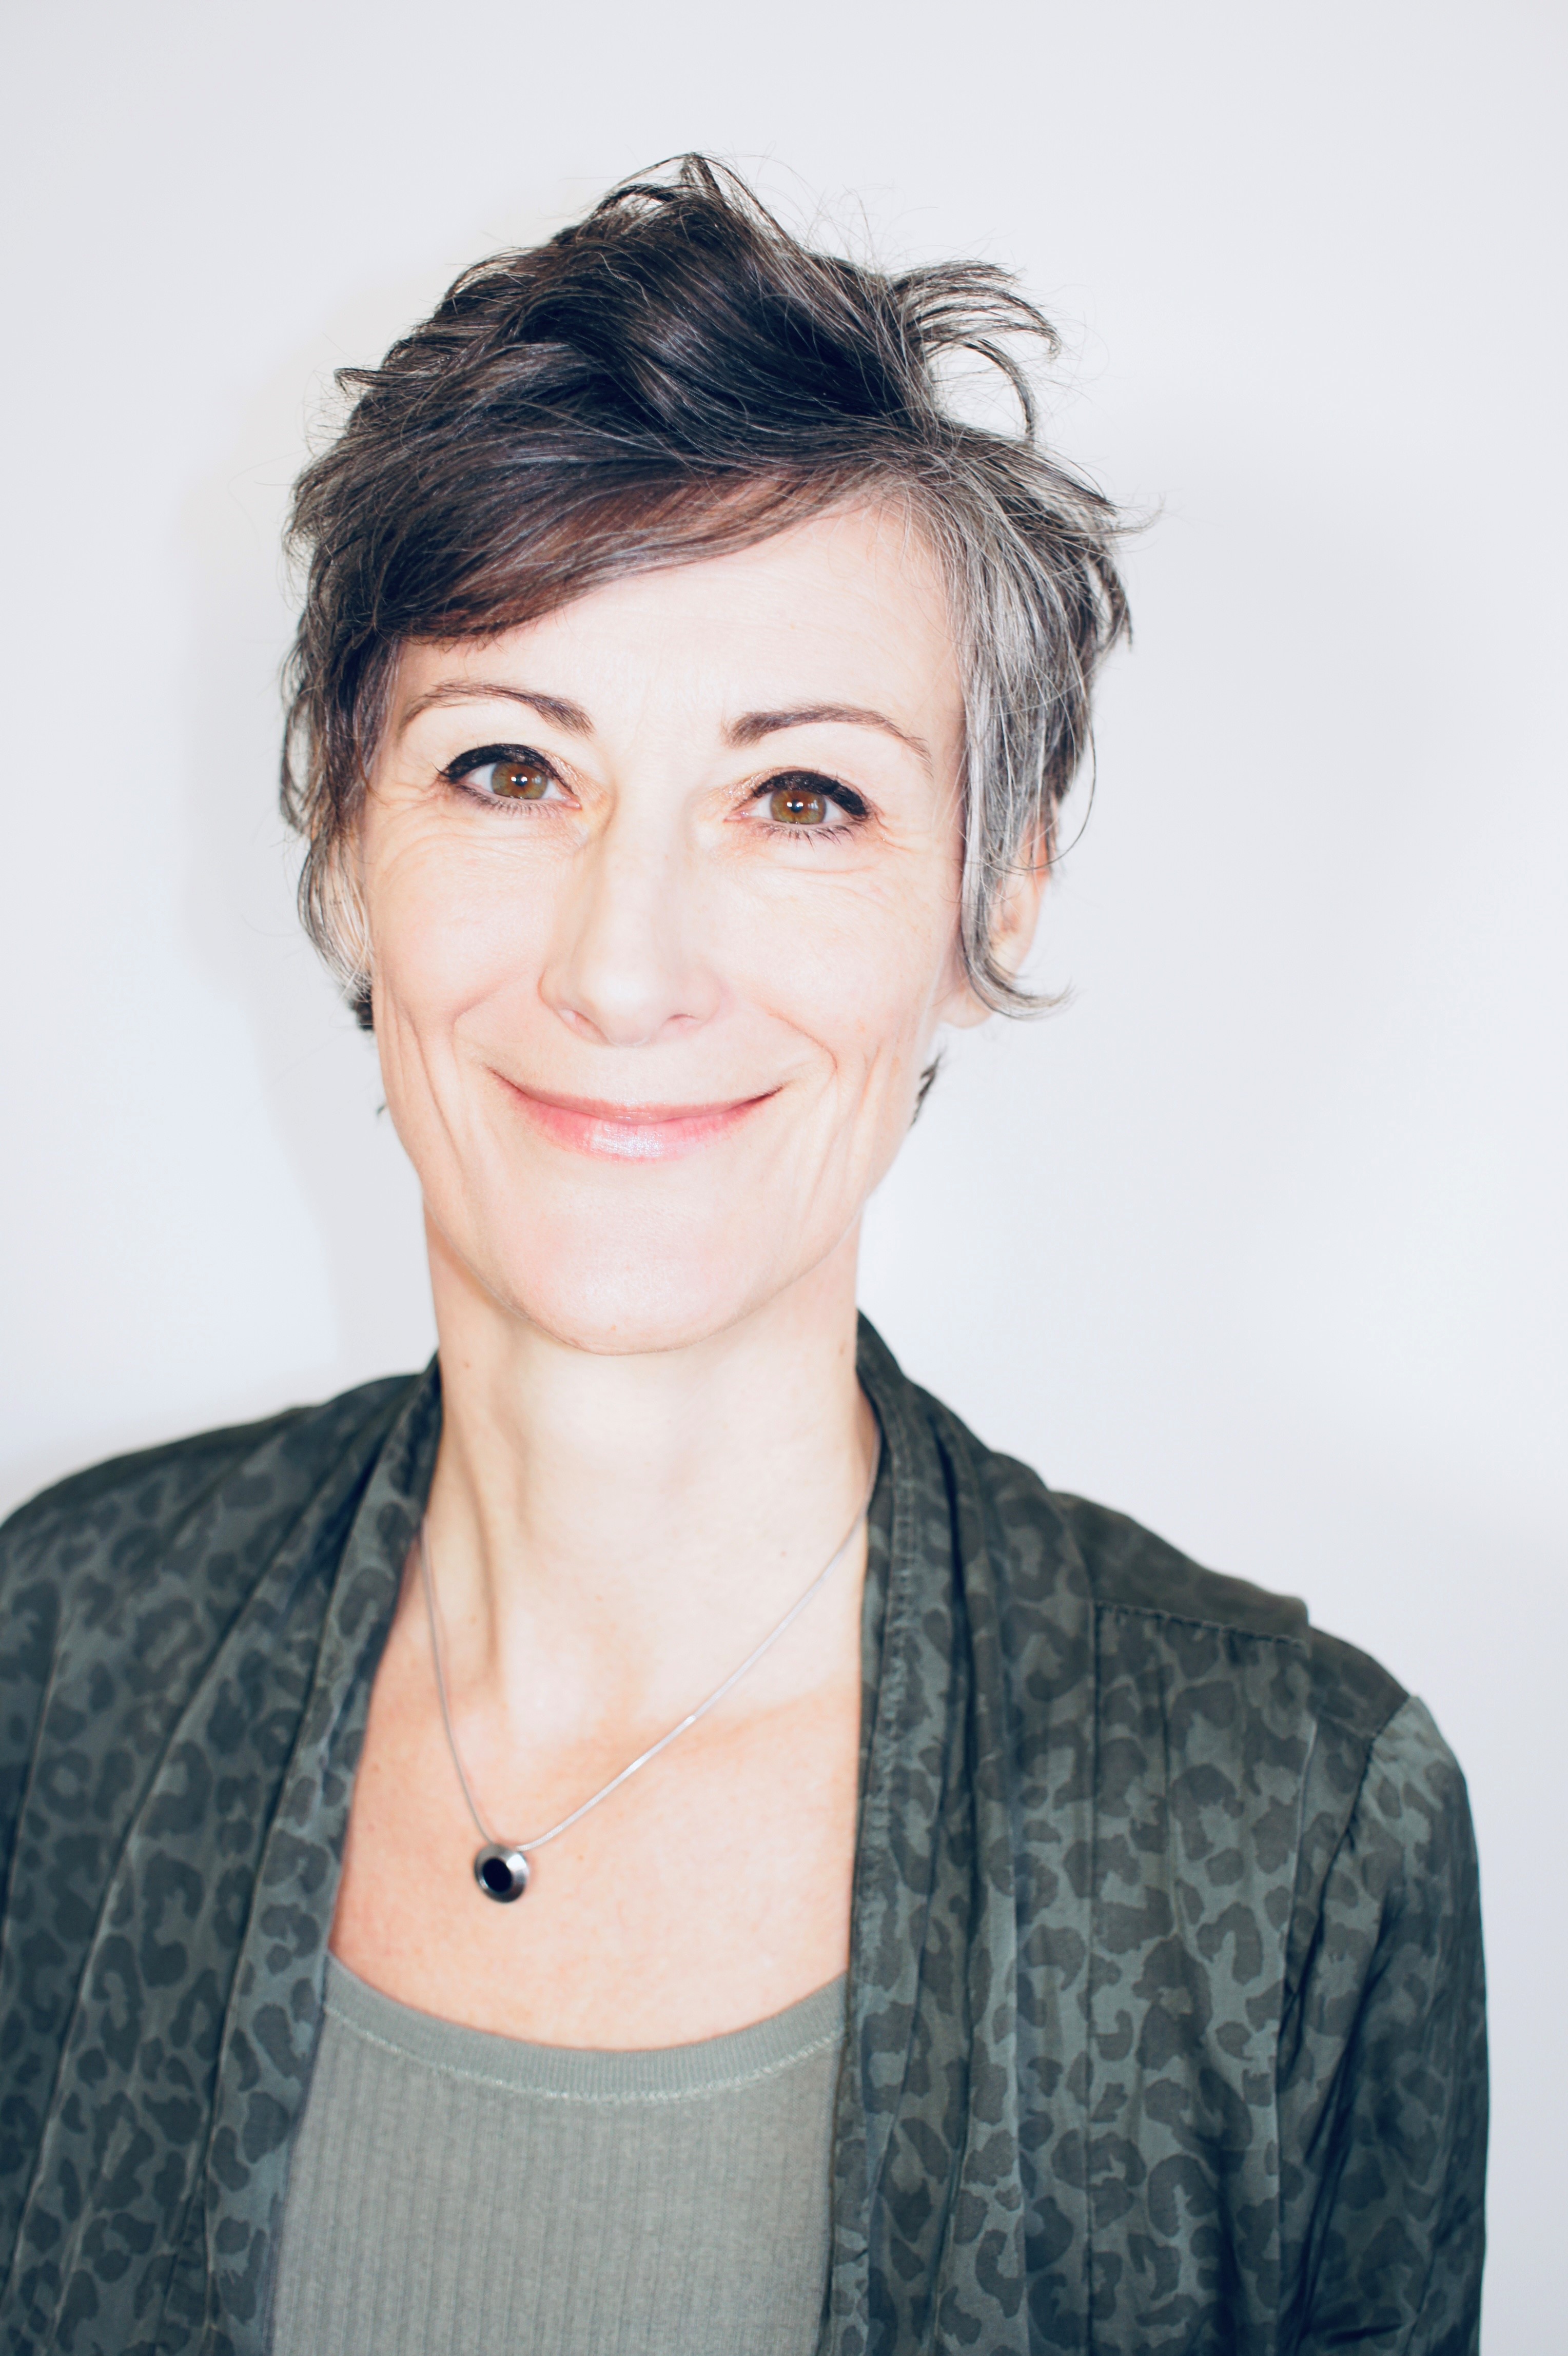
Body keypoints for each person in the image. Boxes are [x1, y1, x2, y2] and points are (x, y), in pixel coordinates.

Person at [0, 158, 1485, 2356]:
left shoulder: (1293, 1832)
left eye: (802, 797)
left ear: (994, 892)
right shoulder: (57, 1659)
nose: (624, 967)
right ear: (340, 827)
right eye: (508, 768)